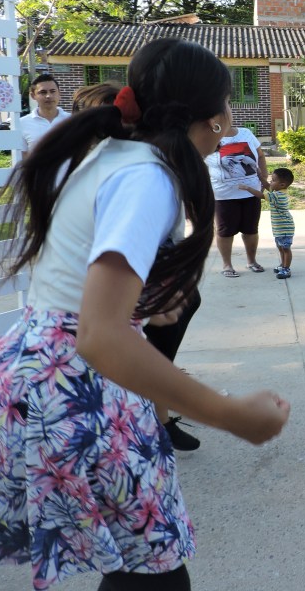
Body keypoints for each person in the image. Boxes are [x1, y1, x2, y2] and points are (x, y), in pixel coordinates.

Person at [0, 38, 290, 590]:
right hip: (72, 386)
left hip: (40, 372)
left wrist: (147, 301)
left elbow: (85, 283)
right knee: (154, 572)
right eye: (227, 101)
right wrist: (230, 414)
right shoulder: (148, 177)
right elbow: (100, 336)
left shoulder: (116, 155)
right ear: (215, 118)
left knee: (144, 567)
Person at [68, 75, 203, 450]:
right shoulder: (101, 171)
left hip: (155, 264)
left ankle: (156, 411)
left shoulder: (138, 162)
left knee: (172, 320)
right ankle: (154, 417)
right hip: (106, 288)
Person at [205, 121, 268, 277]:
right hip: (223, 196)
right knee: (225, 231)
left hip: (251, 193)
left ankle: (252, 261)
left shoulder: (246, 133)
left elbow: (260, 155)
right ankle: (227, 265)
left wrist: (264, 178)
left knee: (251, 229)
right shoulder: (207, 137)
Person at [239, 167, 296, 279]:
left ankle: (286, 269)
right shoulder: (279, 191)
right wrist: (260, 176)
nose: (270, 182)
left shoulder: (278, 196)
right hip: (279, 228)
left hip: (285, 228)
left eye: (273, 180)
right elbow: (267, 186)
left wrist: (247, 188)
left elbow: (261, 195)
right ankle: (282, 265)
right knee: (281, 248)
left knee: (286, 249)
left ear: (282, 184)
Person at [20, 73, 71, 150]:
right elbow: (23, 154)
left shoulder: (72, 120)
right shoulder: (22, 123)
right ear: (33, 96)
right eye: (43, 92)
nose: (48, 96)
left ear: (59, 93)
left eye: (52, 91)